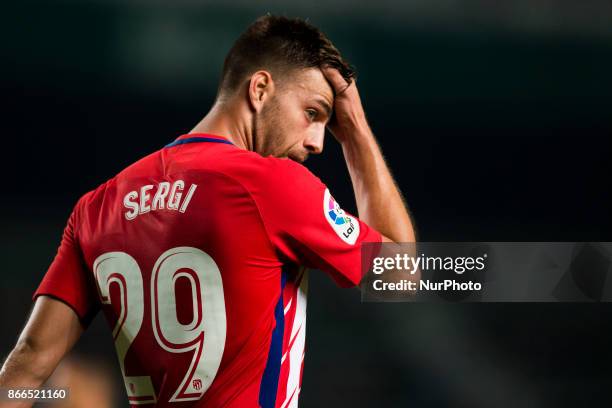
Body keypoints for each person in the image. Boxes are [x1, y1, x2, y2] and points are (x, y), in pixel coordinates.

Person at [0, 14, 415, 408]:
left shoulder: (97, 206)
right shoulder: (271, 186)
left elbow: (27, 368)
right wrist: (356, 128)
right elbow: (404, 274)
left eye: (328, 123)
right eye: (312, 114)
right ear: (259, 89)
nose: (317, 142)